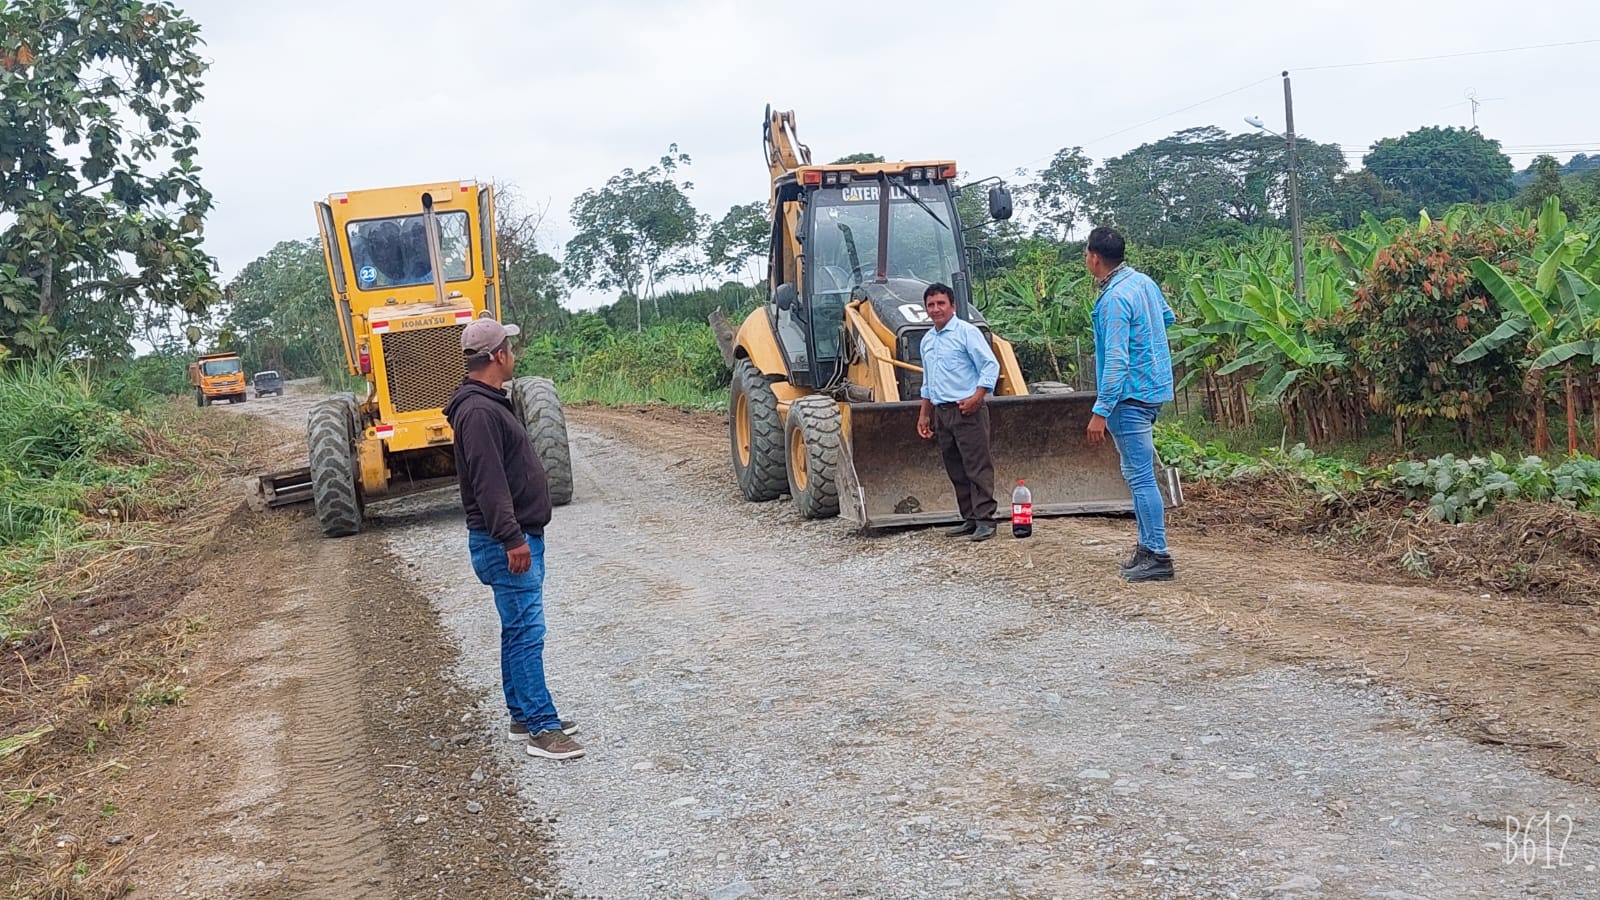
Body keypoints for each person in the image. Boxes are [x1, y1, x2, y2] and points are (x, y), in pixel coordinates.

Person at [443, 318, 584, 761]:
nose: (514, 355)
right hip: (505, 542)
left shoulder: (484, 405)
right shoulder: (479, 412)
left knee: (517, 628)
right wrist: (511, 537)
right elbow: (489, 482)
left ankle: (523, 716)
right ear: (498, 355)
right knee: (527, 632)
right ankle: (543, 728)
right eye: (511, 348)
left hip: (509, 537)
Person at [1083, 226, 1178, 582]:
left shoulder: (1114, 300)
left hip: (1129, 396)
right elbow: (1167, 317)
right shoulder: (1143, 283)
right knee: (1139, 475)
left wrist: (1101, 410)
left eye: (1086, 254)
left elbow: (1117, 360)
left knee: (1140, 477)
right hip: (1154, 389)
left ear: (1095, 258)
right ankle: (1146, 547)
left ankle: (1158, 555)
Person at [916, 282, 1001, 542]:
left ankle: (985, 520)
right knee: (956, 468)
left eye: (941, 303)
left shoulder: (967, 333)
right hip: (942, 413)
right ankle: (970, 517)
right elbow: (928, 381)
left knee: (977, 466)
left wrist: (977, 397)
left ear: (952, 306)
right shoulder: (927, 341)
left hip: (967, 411)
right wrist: (924, 414)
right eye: (931, 305)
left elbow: (990, 365)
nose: (936, 309)